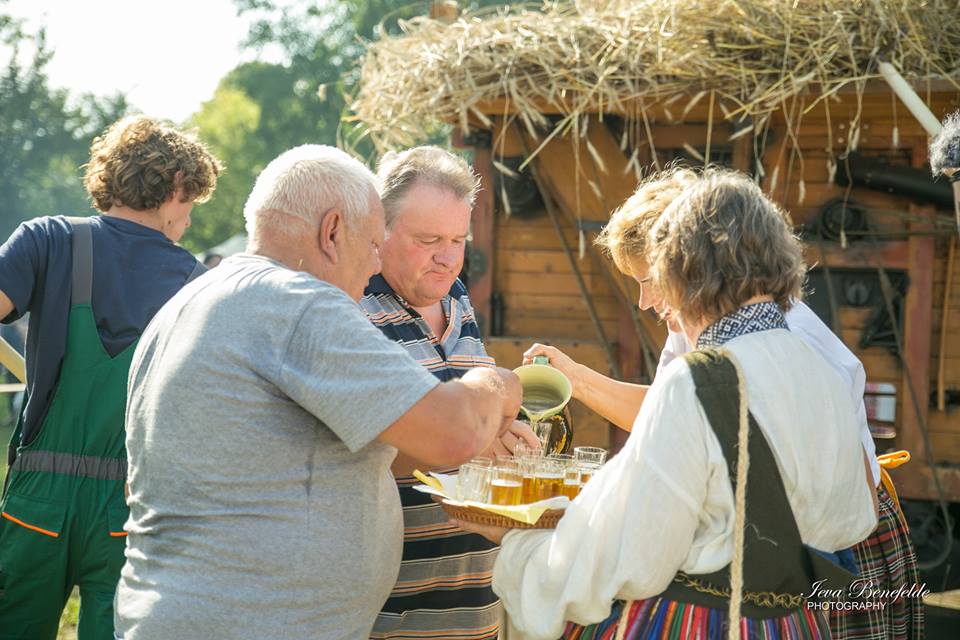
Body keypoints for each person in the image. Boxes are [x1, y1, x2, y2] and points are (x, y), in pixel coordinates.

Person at [113, 144, 523, 640]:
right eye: (372, 243)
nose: (373, 266)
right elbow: (452, 432)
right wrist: (497, 385)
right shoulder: (298, 304)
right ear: (332, 231)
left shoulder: (195, 299)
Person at [456, 169, 878, 639]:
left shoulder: (697, 381)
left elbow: (632, 552)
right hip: (795, 626)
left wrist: (521, 548)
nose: (651, 301)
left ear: (683, 271)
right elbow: (855, 517)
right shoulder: (823, 370)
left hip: (702, 624)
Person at [0, 115, 221, 640]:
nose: (188, 220)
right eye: (191, 203)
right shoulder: (198, 285)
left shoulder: (48, 240)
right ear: (175, 185)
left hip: (37, 500)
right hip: (131, 509)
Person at [360, 146, 539, 640]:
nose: (448, 257)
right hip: (388, 611)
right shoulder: (352, 306)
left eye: (458, 240)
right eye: (429, 240)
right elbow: (352, 446)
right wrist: (466, 442)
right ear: (380, 229)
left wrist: (504, 435)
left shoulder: (456, 296)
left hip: (473, 606)